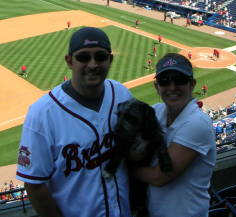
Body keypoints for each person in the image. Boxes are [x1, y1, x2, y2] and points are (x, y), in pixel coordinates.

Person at [16, 27, 133, 217]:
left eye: (101, 57)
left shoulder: (121, 94)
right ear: (69, 61)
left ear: (110, 60)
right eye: (83, 57)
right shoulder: (42, 114)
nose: (93, 64)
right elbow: (34, 185)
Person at [133, 53, 216, 217]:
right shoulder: (157, 111)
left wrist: (123, 168)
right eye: (165, 81)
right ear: (157, 87)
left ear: (192, 84)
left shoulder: (198, 123)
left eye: (179, 80)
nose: (172, 87)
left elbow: (160, 176)